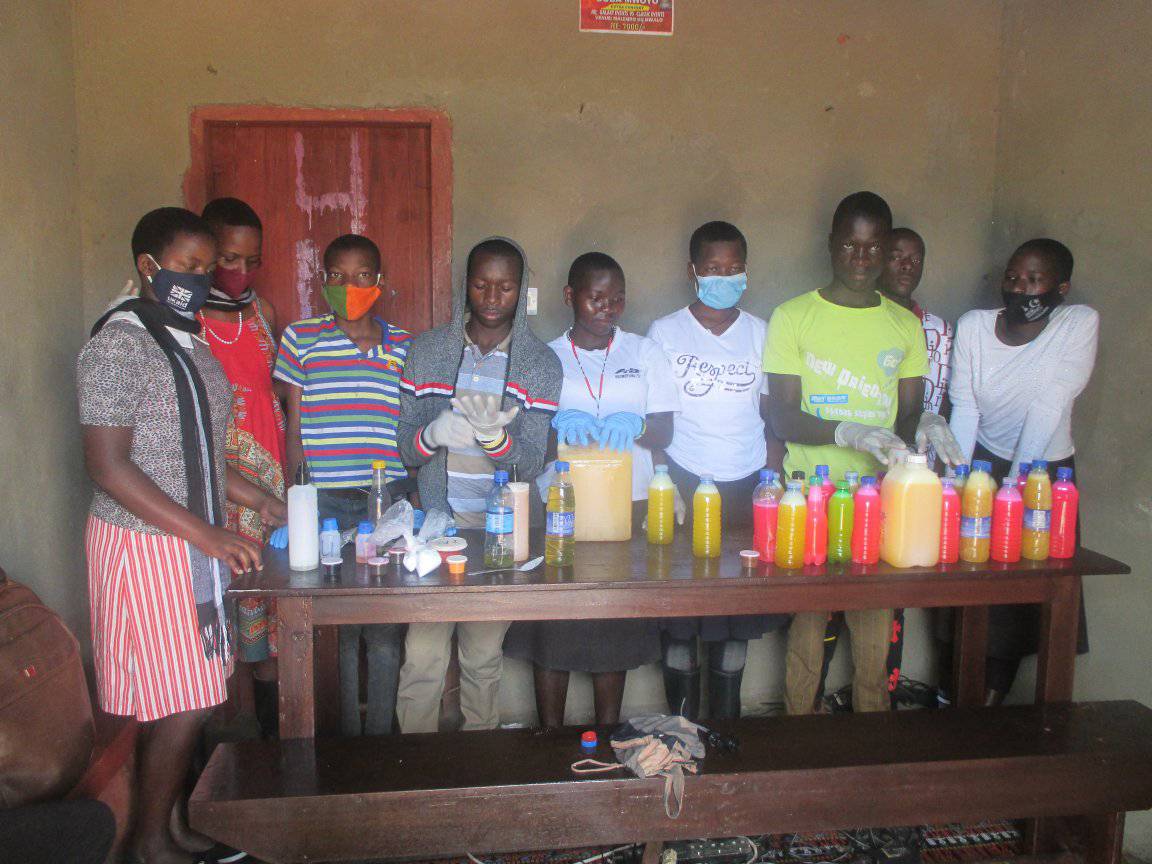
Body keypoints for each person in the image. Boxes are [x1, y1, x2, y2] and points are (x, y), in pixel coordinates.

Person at [78, 207, 283, 864]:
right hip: (145, 543)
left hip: (191, 542)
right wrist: (207, 533)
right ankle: (147, 842)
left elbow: (194, 450)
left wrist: (256, 498)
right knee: (177, 700)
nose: (204, 278)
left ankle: (166, 829)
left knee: (192, 697)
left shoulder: (187, 340)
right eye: (190, 267)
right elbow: (108, 465)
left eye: (209, 266)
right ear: (148, 267)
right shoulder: (120, 342)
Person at [762, 191, 963, 716]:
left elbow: (909, 415)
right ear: (831, 246)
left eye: (874, 247)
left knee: (874, 640)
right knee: (808, 633)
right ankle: (798, 740)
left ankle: (870, 751)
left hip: (879, 500)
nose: (861, 259)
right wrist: (846, 431)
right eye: (850, 245)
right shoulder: (793, 317)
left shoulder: (903, 326)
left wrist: (931, 421)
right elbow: (779, 415)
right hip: (809, 498)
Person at [504, 252, 679, 726]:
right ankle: (550, 734)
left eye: (616, 299)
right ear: (569, 297)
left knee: (611, 622)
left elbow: (664, 433)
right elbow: (524, 444)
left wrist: (637, 423)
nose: (607, 307)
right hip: (560, 504)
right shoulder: (545, 358)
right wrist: (556, 429)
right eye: (595, 297)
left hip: (629, 504)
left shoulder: (644, 353)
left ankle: (606, 733)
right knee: (554, 623)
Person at [394, 237, 562, 733]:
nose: (492, 297)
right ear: (463, 285)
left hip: (498, 537)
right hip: (434, 533)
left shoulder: (540, 365)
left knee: (483, 659)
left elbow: (529, 464)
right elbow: (406, 449)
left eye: (506, 287)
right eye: (481, 284)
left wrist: (495, 440)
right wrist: (431, 434)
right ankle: (412, 770)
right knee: (421, 659)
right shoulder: (427, 351)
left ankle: (478, 767)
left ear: (521, 289)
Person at [946, 238, 1098, 704]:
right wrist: (958, 477)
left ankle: (1014, 710)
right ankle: (966, 702)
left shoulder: (1077, 323)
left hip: (1046, 473)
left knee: (1035, 592)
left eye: (1035, 280)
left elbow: (1049, 404)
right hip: (984, 463)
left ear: (1061, 288)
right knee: (975, 583)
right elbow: (966, 407)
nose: (1021, 288)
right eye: (1013, 278)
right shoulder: (974, 327)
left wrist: (1014, 487)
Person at [646, 221, 787, 721]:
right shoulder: (664, 333)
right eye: (712, 268)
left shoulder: (761, 333)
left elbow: (773, 419)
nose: (723, 277)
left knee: (735, 623)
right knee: (680, 623)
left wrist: (771, 481)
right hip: (684, 482)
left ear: (746, 272)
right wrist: (662, 481)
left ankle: (724, 731)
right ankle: (682, 732)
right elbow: (656, 420)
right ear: (692, 272)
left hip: (746, 487)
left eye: (733, 269)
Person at [273, 233, 411, 736]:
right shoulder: (300, 338)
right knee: (337, 626)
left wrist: (411, 494)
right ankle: (343, 741)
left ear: (380, 283)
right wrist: (298, 499)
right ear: (322, 281)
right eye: (336, 276)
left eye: (361, 276)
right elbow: (293, 425)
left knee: (383, 622)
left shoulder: (403, 346)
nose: (347, 285)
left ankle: (378, 739)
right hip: (326, 500)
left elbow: (411, 425)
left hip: (385, 501)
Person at [820, 226, 956, 709]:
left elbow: (923, 404)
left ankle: (876, 713)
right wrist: (852, 432)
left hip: (900, 482)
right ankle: (810, 715)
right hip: (831, 482)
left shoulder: (929, 329)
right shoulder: (842, 314)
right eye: (894, 254)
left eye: (912, 258)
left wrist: (931, 419)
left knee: (882, 609)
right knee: (817, 615)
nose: (902, 265)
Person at [198, 197, 285, 737]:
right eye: (228, 259)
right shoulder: (185, 318)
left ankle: (279, 728)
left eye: (251, 261)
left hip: (269, 468)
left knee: (271, 594)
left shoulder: (263, 314)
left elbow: (275, 390)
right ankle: (235, 731)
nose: (240, 273)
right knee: (225, 595)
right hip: (212, 478)